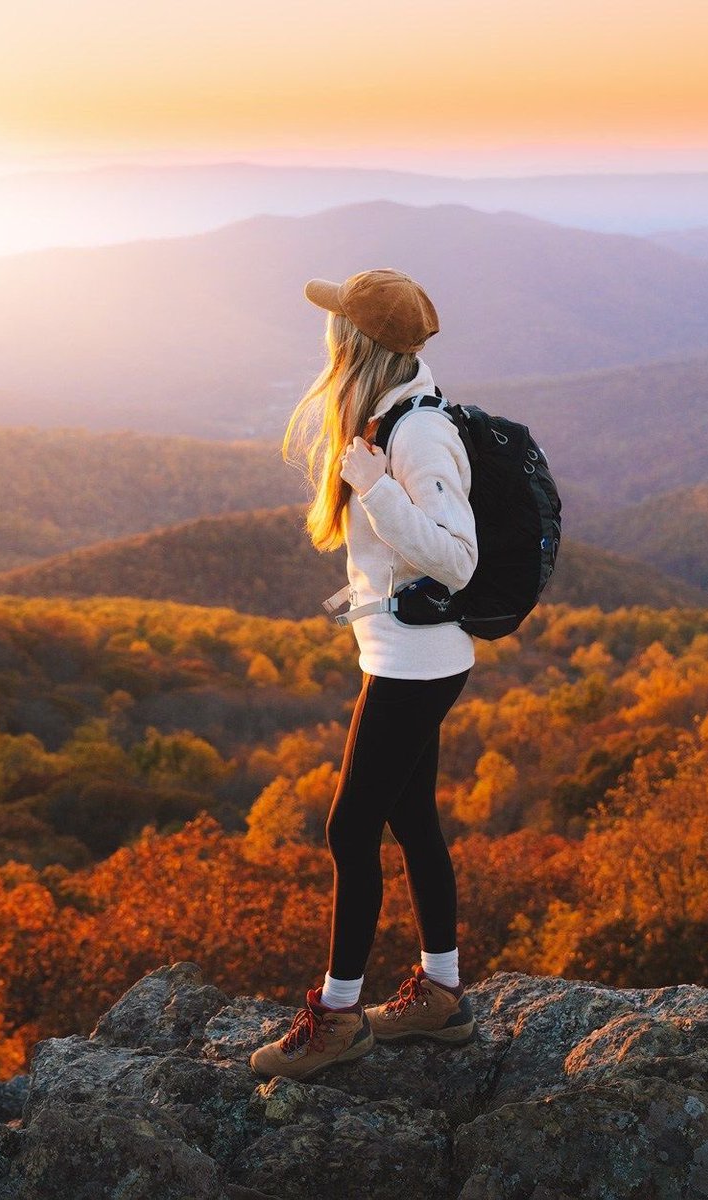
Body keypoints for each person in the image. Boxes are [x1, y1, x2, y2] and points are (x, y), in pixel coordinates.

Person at [249, 267, 479, 1082]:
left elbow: (456, 559)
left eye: (338, 327)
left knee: (350, 829)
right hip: (403, 653)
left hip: (417, 668)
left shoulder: (415, 434)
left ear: (357, 343)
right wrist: (362, 598)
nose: (328, 340)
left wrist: (376, 490)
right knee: (412, 817)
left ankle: (340, 1014)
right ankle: (443, 996)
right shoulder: (386, 415)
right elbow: (399, 555)